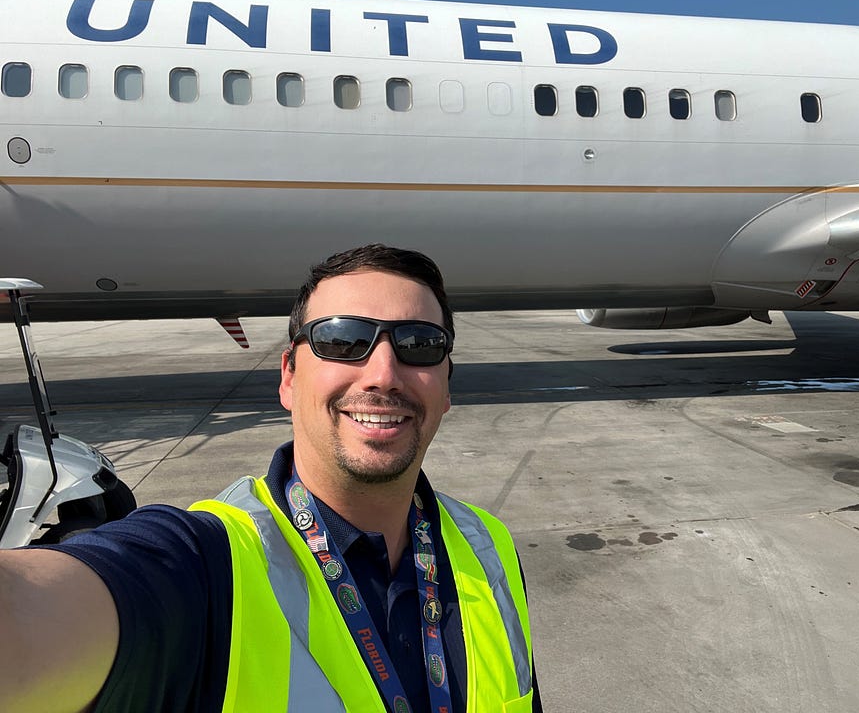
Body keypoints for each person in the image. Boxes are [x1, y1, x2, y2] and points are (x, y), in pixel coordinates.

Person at [0, 243, 539, 713]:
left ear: (446, 387)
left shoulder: (485, 546)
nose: (382, 373)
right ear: (288, 376)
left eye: (420, 344)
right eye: (342, 340)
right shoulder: (207, 565)